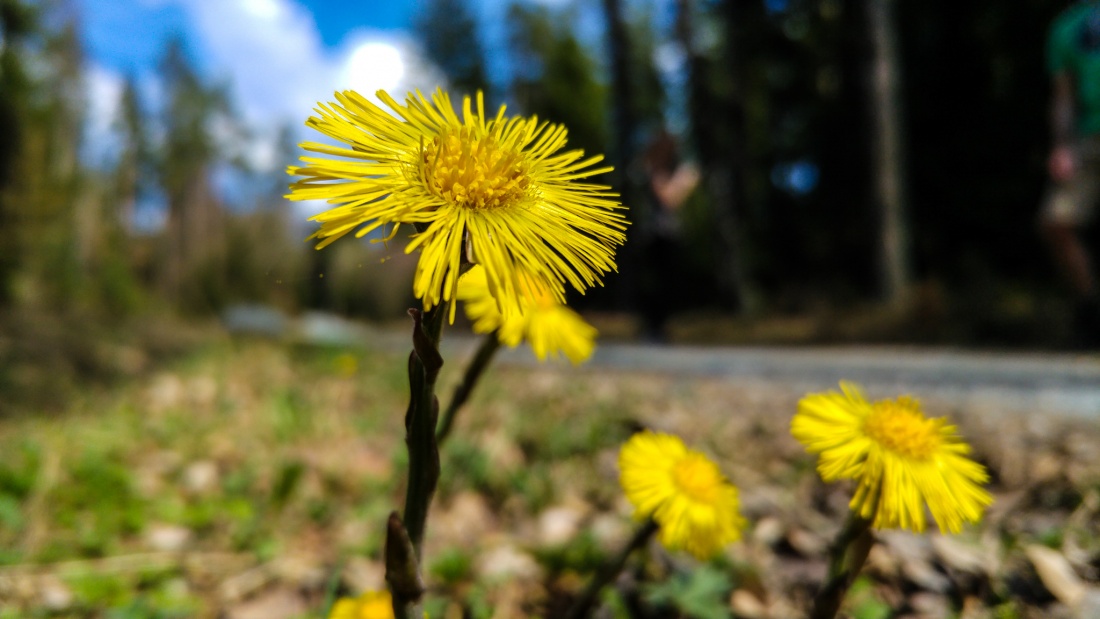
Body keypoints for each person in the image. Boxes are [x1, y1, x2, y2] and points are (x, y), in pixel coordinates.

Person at [1041, 1, 1100, 346]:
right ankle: (1090, 306)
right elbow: (1063, 96)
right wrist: (1061, 145)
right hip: (1088, 138)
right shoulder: (1068, 28)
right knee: (1056, 220)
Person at [637, 128, 700, 341]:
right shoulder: (654, 168)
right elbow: (668, 198)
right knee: (654, 281)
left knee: (669, 282)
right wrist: (683, 180)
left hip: (671, 234)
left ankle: (659, 327)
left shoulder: (671, 169)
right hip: (654, 234)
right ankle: (651, 327)